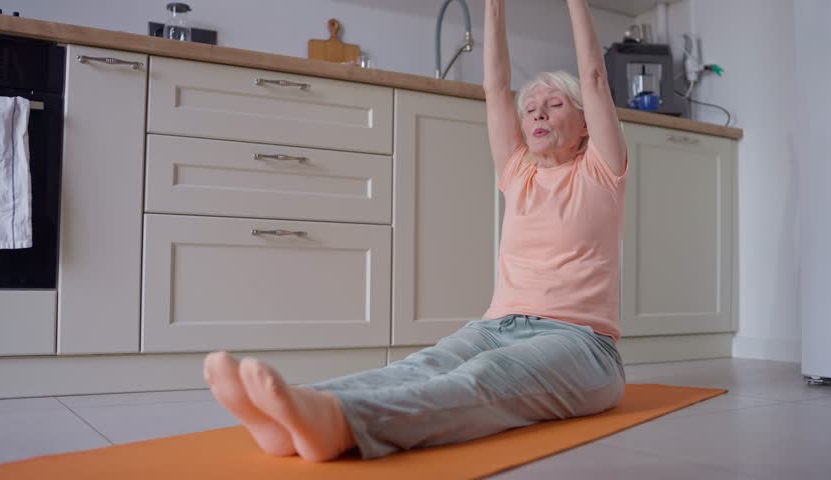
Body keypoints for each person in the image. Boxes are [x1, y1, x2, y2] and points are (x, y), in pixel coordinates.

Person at [202, 0, 629, 462]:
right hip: (497, 326)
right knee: (425, 364)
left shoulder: (601, 172)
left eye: (554, 104)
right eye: (530, 109)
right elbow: (496, 86)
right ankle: (293, 410)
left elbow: (594, 78)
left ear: (586, 122)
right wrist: (494, 7)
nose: (538, 114)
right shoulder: (518, 171)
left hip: (580, 345)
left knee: (484, 374)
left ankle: (340, 421)